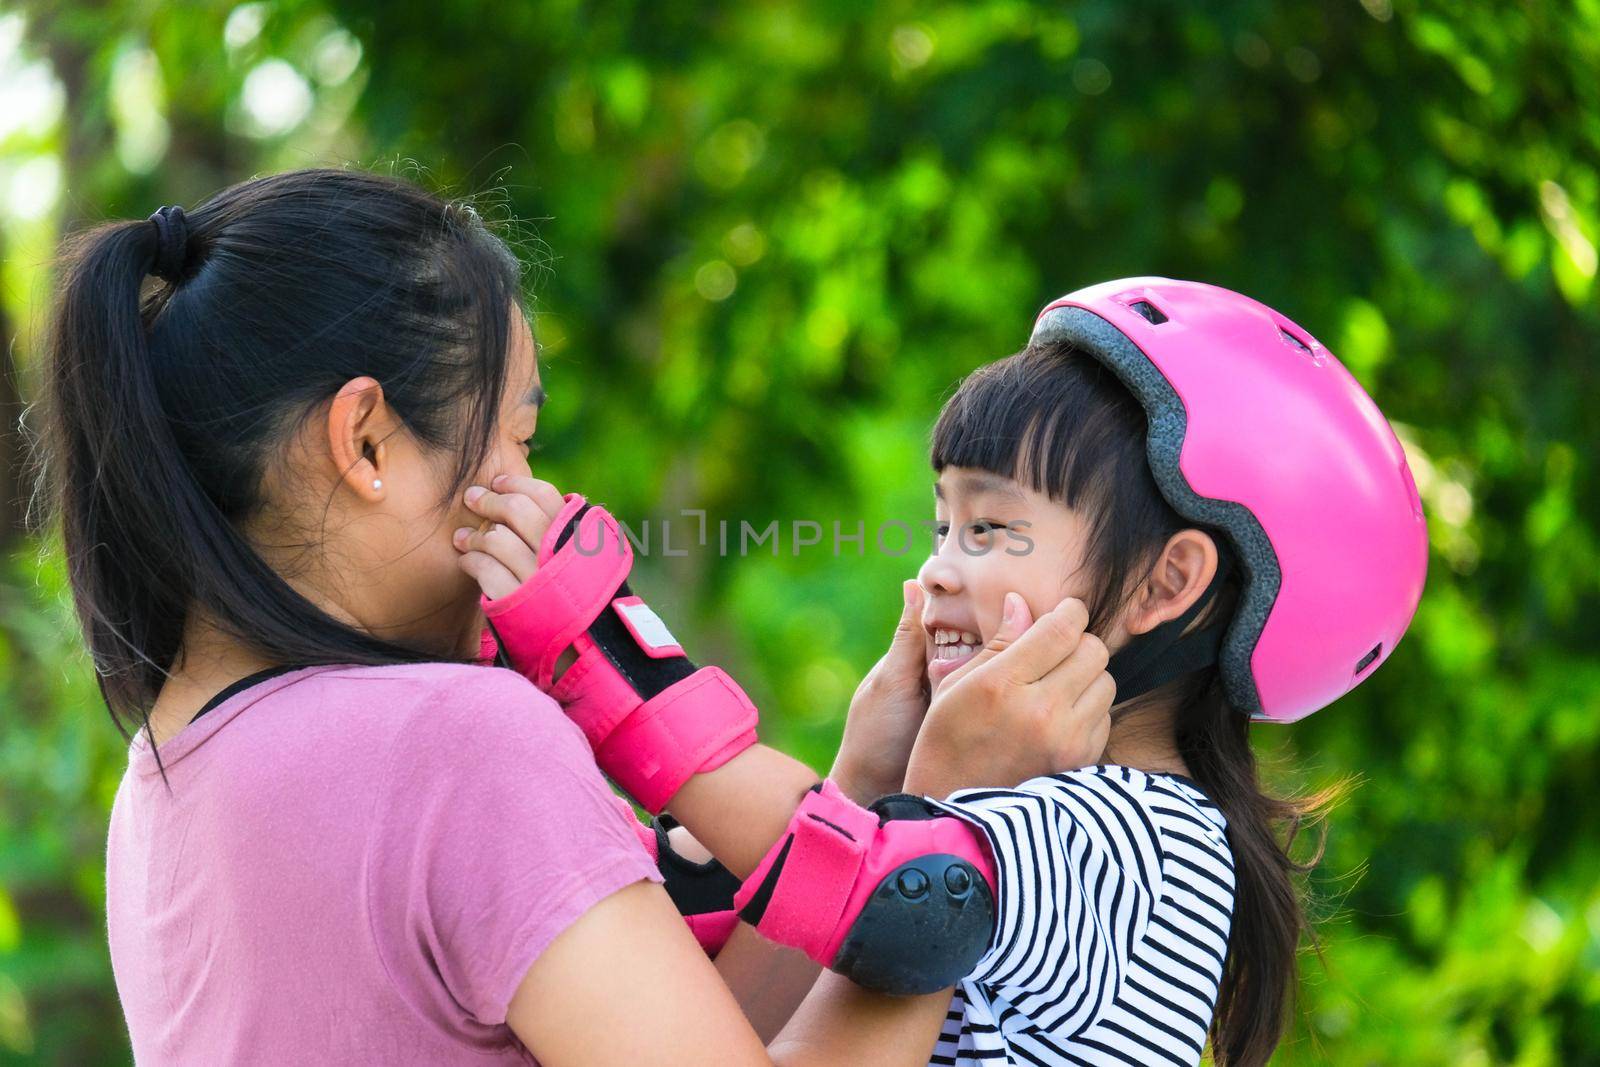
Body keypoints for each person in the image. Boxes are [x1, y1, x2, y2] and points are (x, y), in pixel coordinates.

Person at [31, 166, 1111, 1065]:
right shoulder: (454, 743)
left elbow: (689, 1029)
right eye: (516, 438)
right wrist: (953, 819)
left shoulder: (167, 775)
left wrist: (866, 787)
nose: (537, 494)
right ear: (364, 440)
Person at [457, 279, 1429, 1066]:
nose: (938, 568)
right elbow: (750, 1017)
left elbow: (898, 896)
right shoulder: (1065, 814)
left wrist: (604, 652)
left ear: (1167, 581)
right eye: (941, 524)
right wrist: (868, 773)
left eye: (993, 527)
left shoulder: (1123, 828)